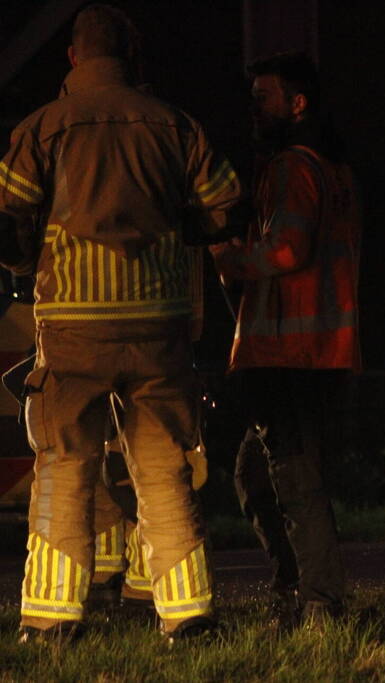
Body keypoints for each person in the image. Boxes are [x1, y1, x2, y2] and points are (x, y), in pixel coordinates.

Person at [0, 4, 242, 644]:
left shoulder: (42, 128)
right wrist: (175, 232)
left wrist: (28, 259)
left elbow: (8, 220)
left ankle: (51, 622)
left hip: (73, 326)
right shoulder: (176, 125)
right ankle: (188, 615)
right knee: (163, 468)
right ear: (131, 56)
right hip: (158, 324)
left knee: (64, 465)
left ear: (73, 57)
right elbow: (225, 206)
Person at [210, 52, 361, 628]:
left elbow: (287, 250)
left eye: (263, 97)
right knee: (257, 475)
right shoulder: (335, 171)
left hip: (287, 353)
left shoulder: (292, 168)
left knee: (292, 479)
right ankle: (299, 592)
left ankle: (319, 604)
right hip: (322, 351)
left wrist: (229, 258)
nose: (253, 107)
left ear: (297, 104)